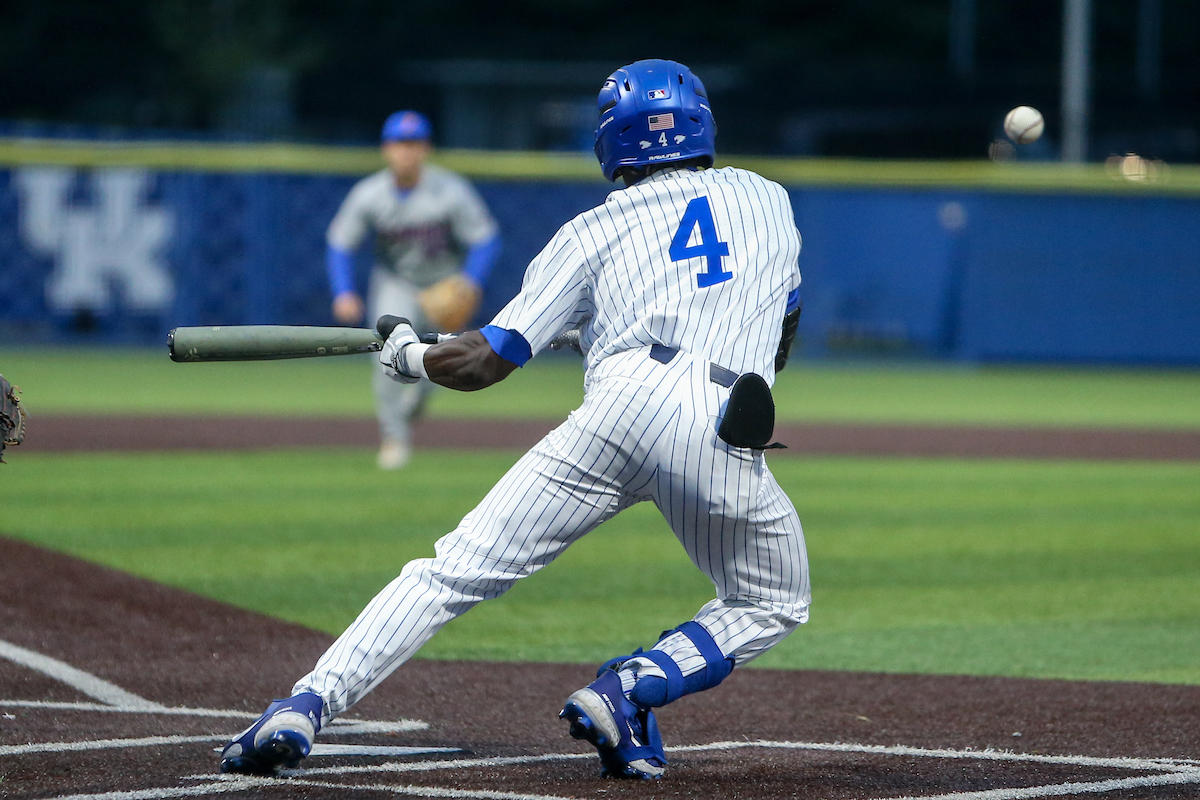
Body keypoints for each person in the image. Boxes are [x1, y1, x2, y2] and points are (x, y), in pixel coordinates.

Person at [220, 59, 809, 781]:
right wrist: (614, 332)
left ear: (612, 140)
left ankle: (306, 703)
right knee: (772, 599)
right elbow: (778, 323)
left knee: (452, 570)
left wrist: (407, 356)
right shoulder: (767, 199)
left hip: (616, 411)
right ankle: (630, 687)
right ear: (701, 124)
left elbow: (485, 361)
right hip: (723, 417)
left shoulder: (593, 229)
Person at [326, 110, 502, 470]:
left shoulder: (450, 190)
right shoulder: (370, 193)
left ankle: (421, 394)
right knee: (385, 359)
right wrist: (343, 292)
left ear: (426, 148)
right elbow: (340, 243)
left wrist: (469, 282)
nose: (407, 152)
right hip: (396, 282)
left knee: (440, 359)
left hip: (443, 283)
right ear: (386, 149)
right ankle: (394, 439)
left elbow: (486, 240)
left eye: (414, 143)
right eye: (399, 144)